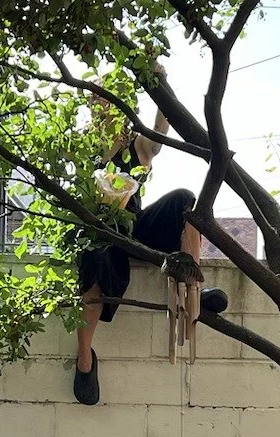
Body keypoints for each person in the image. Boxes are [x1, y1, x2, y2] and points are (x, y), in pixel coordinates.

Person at [73, 97, 227, 405]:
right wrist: (108, 150)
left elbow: (158, 134)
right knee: (95, 261)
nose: (105, 108)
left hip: (133, 225)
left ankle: (195, 286)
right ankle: (84, 360)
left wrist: (159, 85)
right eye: (98, 102)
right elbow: (83, 187)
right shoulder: (84, 147)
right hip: (101, 229)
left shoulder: (136, 144)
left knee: (184, 200)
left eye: (110, 102)